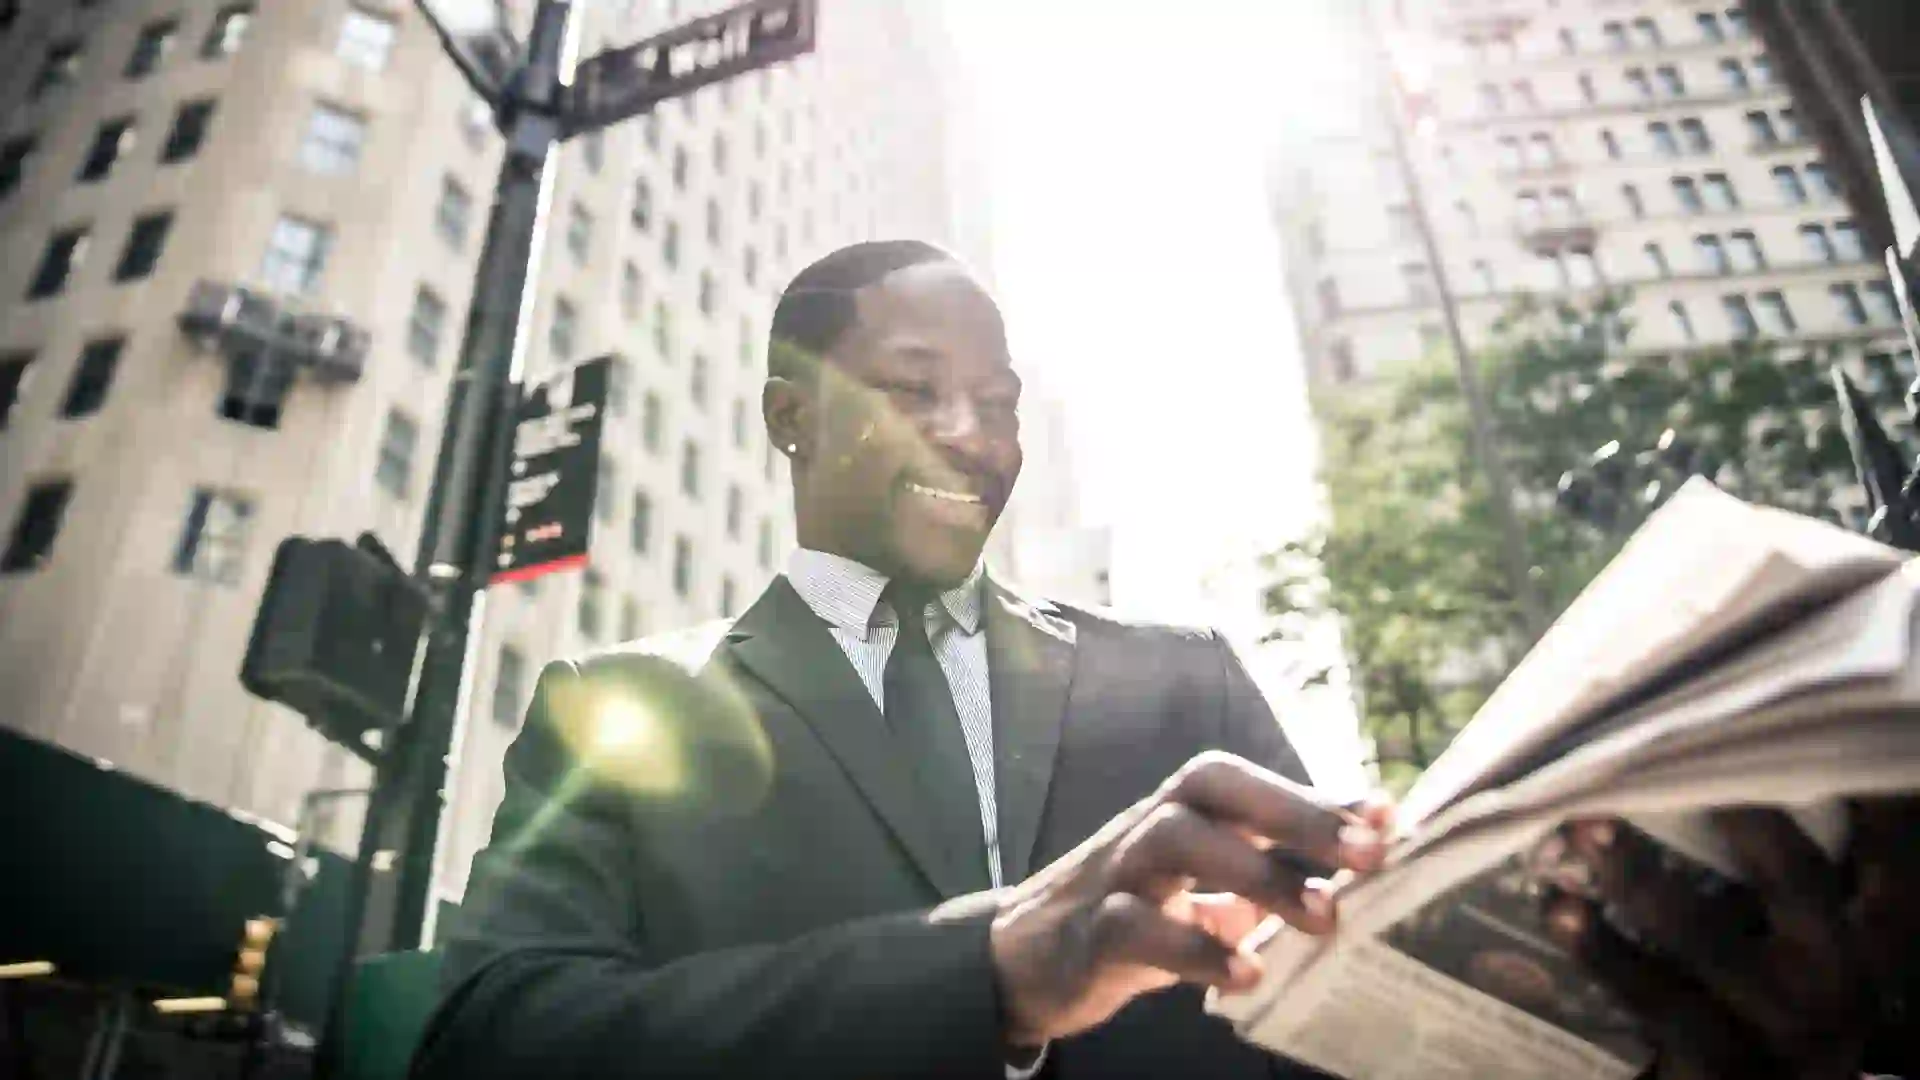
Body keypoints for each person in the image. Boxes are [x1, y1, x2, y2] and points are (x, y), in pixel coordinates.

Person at [413, 240, 1904, 1079]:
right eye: (911, 391)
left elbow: (1341, 1029)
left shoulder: (1181, 682)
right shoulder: (623, 704)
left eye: (997, 400)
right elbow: (488, 1043)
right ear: (789, 416)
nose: (972, 438)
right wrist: (988, 971)